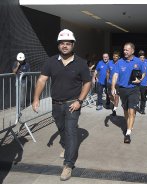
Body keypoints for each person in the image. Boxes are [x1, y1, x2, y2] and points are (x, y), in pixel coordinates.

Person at [32, 29, 91, 181]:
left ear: (73, 45)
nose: (65, 46)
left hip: (73, 103)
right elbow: (41, 80)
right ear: (59, 45)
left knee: (71, 131)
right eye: (62, 43)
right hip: (56, 104)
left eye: (68, 43)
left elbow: (87, 83)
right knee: (62, 129)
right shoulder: (51, 61)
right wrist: (36, 98)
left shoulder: (81, 63)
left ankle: (68, 165)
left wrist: (79, 101)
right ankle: (66, 147)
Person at [111, 42, 146, 144]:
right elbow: (115, 75)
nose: (125, 51)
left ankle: (128, 133)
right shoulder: (120, 62)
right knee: (126, 111)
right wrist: (113, 87)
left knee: (131, 111)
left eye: (127, 50)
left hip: (134, 89)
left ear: (132, 51)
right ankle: (129, 125)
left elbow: (143, 72)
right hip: (122, 90)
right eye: (124, 50)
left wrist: (140, 80)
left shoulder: (139, 61)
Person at [106, 51, 120, 117]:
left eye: (116, 56)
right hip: (110, 83)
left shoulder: (121, 63)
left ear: (119, 57)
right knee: (110, 96)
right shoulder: (109, 63)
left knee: (116, 96)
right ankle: (114, 102)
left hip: (118, 83)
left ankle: (114, 110)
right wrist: (107, 80)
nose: (115, 57)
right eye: (114, 56)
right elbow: (108, 72)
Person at [138, 50, 147, 114]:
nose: (142, 59)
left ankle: (142, 109)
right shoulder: (136, 64)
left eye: (143, 58)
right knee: (136, 96)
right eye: (140, 57)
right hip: (136, 84)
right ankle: (135, 106)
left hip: (143, 83)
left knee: (143, 97)